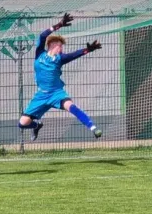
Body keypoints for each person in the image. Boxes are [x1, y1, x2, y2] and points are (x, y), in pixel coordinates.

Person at [18, 13, 103, 141]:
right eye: (60, 45)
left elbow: (74, 55)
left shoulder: (60, 59)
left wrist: (88, 50)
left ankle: (93, 128)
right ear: (53, 44)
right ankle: (37, 125)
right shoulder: (40, 53)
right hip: (41, 95)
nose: (62, 48)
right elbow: (42, 36)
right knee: (22, 123)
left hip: (57, 93)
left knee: (71, 106)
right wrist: (59, 25)